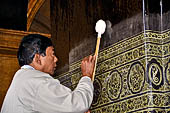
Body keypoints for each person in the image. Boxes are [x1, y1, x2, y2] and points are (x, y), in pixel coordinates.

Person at [1, 34, 96, 113]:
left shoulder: (23, 78)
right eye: (52, 54)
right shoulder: (35, 80)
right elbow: (75, 105)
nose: (56, 59)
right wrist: (86, 76)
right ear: (38, 59)